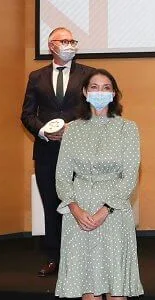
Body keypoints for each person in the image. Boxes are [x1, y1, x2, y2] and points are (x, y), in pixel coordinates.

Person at [55, 69, 143, 300]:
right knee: (88, 282)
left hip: (114, 210)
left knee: (114, 282)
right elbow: (62, 176)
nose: (100, 91)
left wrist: (106, 209)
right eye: (94, 86)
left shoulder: (127, 128)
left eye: (106, 87)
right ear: (84, 92)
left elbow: (130, 175)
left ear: (115, 94)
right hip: (78, 210)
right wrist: (76, 208)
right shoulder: (73, 130)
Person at [21, 27, 95, 277]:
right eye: (64, 41)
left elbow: (95, 109)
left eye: (72, 40)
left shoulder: (89, 75)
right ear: (51, 46)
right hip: (47, 151)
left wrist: (73, 129)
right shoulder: (36, 76)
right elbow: (27, 114)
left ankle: (83, 258)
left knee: (82, 203)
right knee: (51, 204)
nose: (70, 44)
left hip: (81, 151)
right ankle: (54, 257)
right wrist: (44, 132)